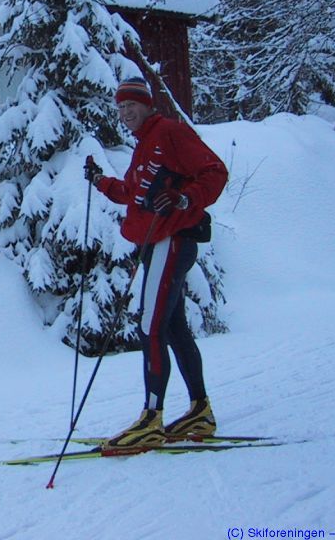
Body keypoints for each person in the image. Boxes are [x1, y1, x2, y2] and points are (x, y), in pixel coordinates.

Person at [84, 78, 228, 447]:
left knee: (150, 327)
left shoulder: (170, 133)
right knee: (174, 327)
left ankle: (151, 418)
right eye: (119, 106)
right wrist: (101, 181)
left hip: (173, 240)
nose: (125, 111)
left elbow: (215, 171)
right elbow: (134, 194)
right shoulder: (145, 144)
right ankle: (200, 411)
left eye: (131, 104)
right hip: (157, 242)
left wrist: (184, 199)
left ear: (147, 105)